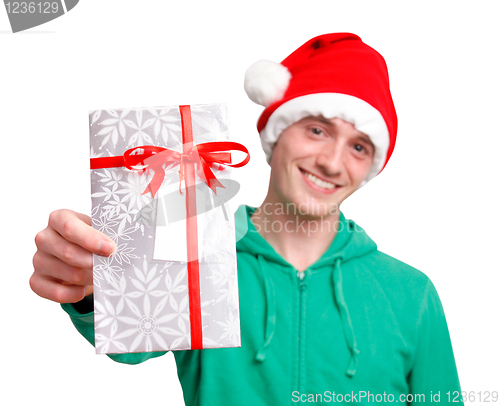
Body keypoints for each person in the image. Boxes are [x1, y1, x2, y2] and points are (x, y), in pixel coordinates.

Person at [31, 33, 462, 405]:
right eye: (317, 129)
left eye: (359, 147)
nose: (332, 162)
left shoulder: (412, 294)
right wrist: (89, 287)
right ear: (275, 134)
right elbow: (129, 346)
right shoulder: (194, 255)